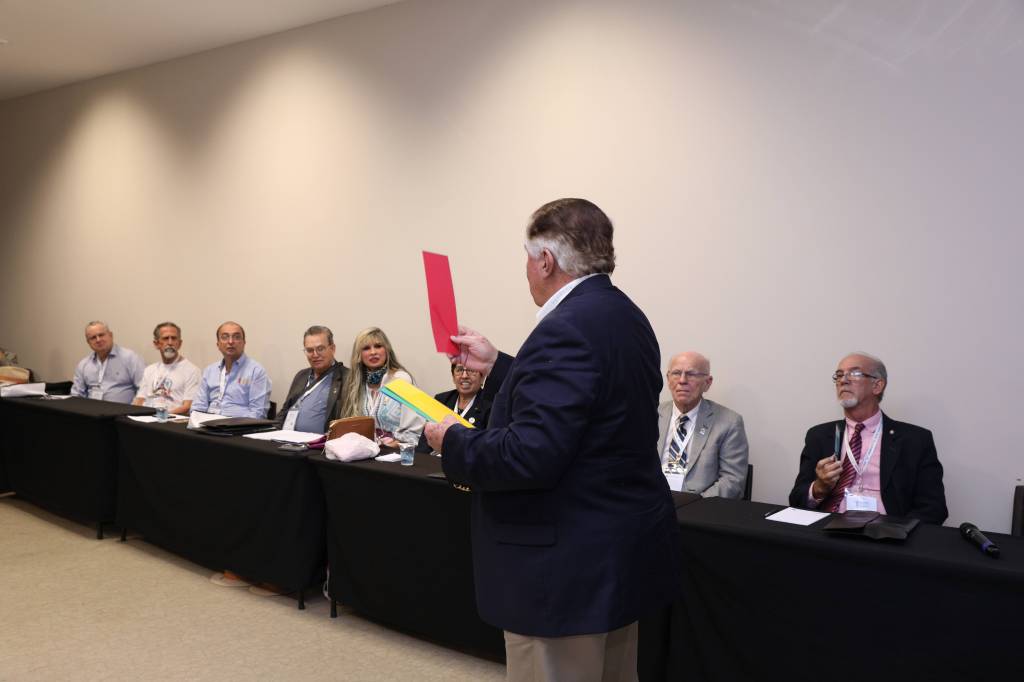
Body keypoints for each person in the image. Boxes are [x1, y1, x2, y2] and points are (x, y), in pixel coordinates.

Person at [425, 198, 681, 682]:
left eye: (526, 257)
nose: (525, 269)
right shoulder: (624, 314)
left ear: (545, 260)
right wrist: (499, 365)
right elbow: (588, 407)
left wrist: (453, 440)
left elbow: (528, 456)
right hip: (614, 552)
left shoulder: (564, 329)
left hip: (562, 567)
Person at [788, 352, 948, 524]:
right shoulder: (819, 436)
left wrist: (899, 531)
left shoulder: (915, 440)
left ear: (877, 386)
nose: (843, 380)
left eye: (854, 373)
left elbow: (934, 508)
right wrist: (819, 488)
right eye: (839, 375)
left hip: (886, 532)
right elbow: (796, 500)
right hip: (828, 529)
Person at [657, 351, 749, 498]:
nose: (682, 380)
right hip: (651, 503)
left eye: (691, 374)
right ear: (668, 379)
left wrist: (694, 505)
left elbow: (732, 482)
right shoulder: (651, 415)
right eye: (676, 373)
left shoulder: (729, 423)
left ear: (707, 383)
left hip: (698, 507)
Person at [338, 327, 424, 449]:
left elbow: (415, 431)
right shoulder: (356, 384)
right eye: (366, 348)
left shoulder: (401, 380)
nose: (373, 352)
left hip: (396, 453)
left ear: (387, 350)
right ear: (359, 355)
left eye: (378, 346)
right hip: (366, 451)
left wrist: (389, 446)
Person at [277, 325, 348, 434]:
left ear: (332, 348)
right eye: (310, 350)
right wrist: (271, 433)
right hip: (287, 438)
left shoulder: (347, 377)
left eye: (320, 349)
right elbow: (284, 411)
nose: (315, 355)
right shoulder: (301, 375)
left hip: (321, 443)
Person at [190, 321, 271, 418]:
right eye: (225, 337)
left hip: (237, 424)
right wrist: (197, 420)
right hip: (207, 423)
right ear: (218, 344)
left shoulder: (256, 371)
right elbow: (198, 406)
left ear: (244, 343)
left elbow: (258, 413)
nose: (231, 341)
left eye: (236, 337)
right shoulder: (210, 371)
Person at [415, 362, 491, 454]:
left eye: (471, 370)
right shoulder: (441, 400)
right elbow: (425, 442)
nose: (464, 376)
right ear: (453, 377)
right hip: (434, 460)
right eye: (459, 370)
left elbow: (487, 449)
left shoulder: (490, 406)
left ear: (482, 376)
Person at [132, 322, 201, 415]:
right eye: (165, 338)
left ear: (179, 343)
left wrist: (161, 416)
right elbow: (139, 400)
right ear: (156, 344)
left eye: (174, 338)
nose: (170, 343)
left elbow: (188, 407)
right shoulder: (149, 370)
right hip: (146, 417)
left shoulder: (192, 370)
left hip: (171, 419)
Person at [70, 321, 145, 403]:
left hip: (122, 410)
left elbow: (144, 390)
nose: (98, 340)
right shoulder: (83, 364)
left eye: (101, 335)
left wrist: (133, 408)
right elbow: (77, 395)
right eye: (93, 338)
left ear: (111, 335)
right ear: (88, 342)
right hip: (91, 410)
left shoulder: (130, 358)